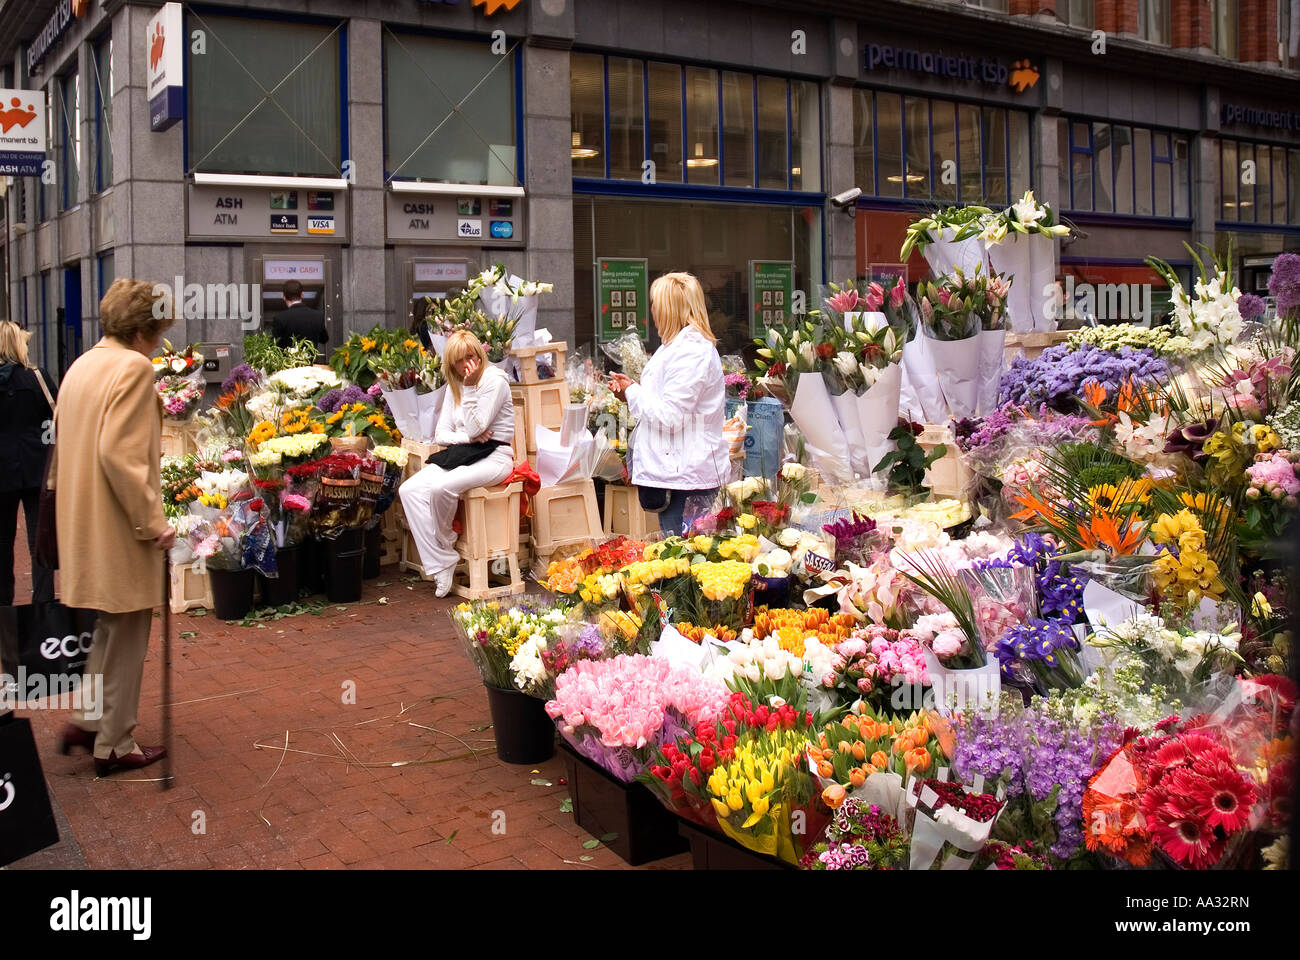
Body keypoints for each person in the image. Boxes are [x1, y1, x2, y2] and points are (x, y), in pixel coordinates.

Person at [54, 278, 174, 776]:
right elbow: (120, 456)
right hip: (119, 523)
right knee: (127, 632)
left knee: (108, 626)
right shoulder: (133, 368)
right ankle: (115, 743)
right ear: (147, 328)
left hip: (84, 518)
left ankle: (88, 719)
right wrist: (153, 522)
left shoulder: (83, 363)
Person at [609, 272, 728, 536]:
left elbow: (670, 416)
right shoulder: (676, 347)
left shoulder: (690, 350)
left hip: (685, 478)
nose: (652, 310)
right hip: (678, 473)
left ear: (669, 308)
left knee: (684, 562)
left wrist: (633, 391)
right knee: (680, 557)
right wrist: (630, 392)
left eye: (655, 303)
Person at [398, 329, 514, 597]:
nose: (466, 365)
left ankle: (445, 540)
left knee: (442, 488)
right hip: (463, 454)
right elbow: (442, 433)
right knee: (409, 490)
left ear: (480, 354)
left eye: (470, 357)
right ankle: (442, 559)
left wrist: (471, 389)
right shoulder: (457, 383)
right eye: (459, 361)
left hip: (496, 456)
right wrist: (467, 438)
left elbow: (478, 427)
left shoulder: (495, 381)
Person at [0, 321, 56, 606]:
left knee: (2, 545)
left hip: (2, 474)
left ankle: (4, 610)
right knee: (40, 539)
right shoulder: (38, 378)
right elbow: (56, 417)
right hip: (37, 470)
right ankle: (43, 606)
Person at [271, 279, 328, 353]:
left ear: (284, 297)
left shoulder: (279, 318)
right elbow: (324, 339)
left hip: (288, 363)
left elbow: (275, 345)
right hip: (309, 363)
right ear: (302, 295)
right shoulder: (318, 316)